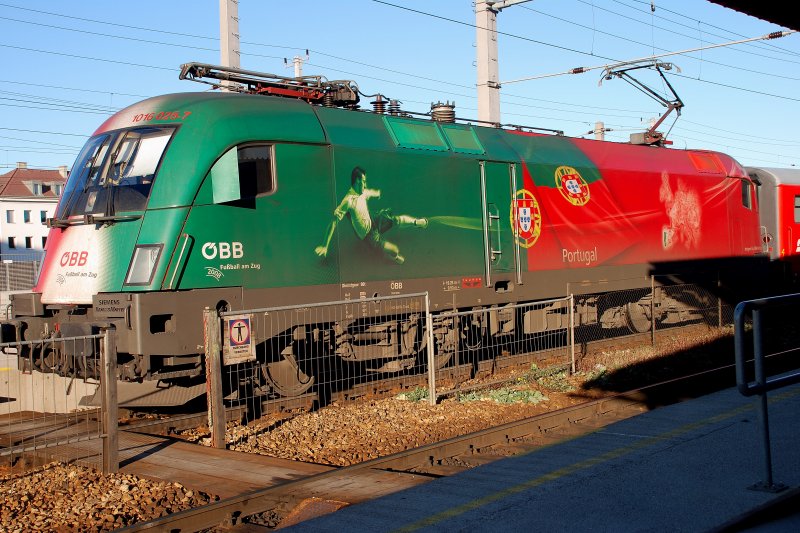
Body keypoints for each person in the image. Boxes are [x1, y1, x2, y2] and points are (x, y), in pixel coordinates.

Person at [315, 166, 427, 264]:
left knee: (396, 220)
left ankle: (417, 223)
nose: (365, 184)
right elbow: (333, 222)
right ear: (357, 181)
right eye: (363, 181)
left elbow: (368, 192)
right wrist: (325, 245)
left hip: (373, 220)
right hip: (368, 236)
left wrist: (377, 193)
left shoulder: (362, 192)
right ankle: (395, 257)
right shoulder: (348, 201)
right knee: (394, 250)